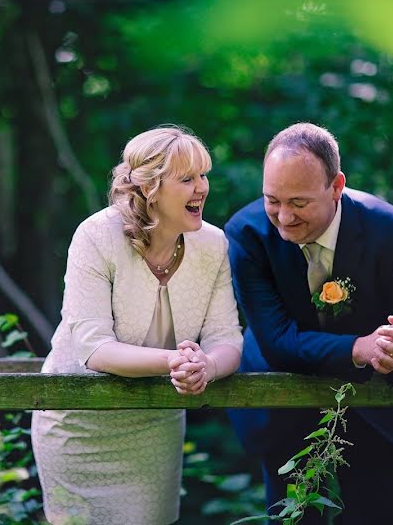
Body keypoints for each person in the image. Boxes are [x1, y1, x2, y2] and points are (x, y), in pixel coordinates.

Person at [226, 123, 393, 524]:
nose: (284, 217)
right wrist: (359, 348)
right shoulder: (247, 234)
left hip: (375, 410)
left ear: (336, 186)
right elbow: (277, 340)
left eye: (299, 202)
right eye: (271, 199)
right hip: (285, 407)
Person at [31, 126, 244, 525]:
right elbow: (94, 348)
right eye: (187, 179)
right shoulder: (96, 236)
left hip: (154, 425)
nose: (202, 188)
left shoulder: (214, 245)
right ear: (150, 189)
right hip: (78, 426)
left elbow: (225, 337)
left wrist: (207, 367)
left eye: (203, 175)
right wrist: (176, 361)